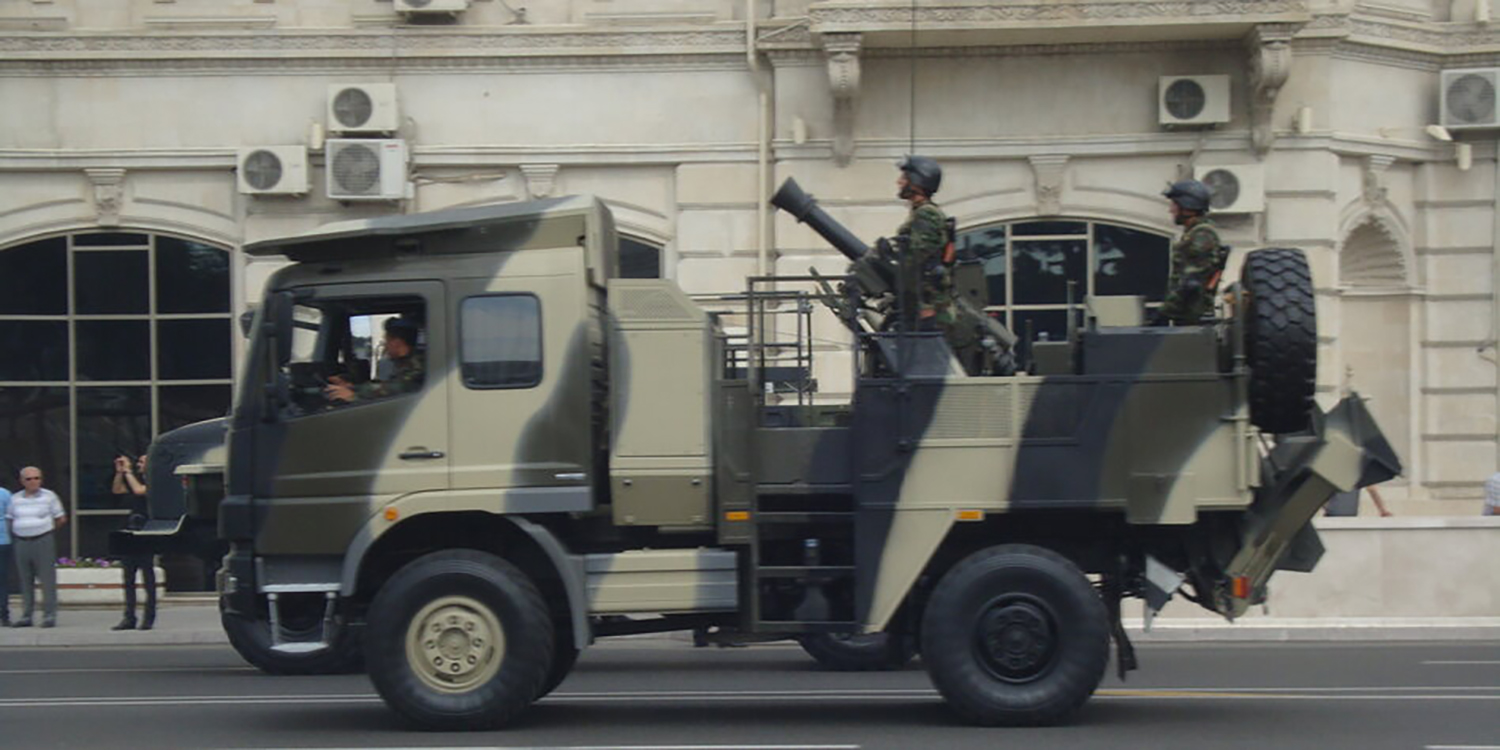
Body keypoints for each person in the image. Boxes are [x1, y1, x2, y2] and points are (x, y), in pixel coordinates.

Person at [893, 156, 959, 339]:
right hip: (923, 305)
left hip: (929, 309)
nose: (899, 182)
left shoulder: (926, 214)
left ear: (917, 182)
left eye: (904, 178)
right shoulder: (921, 213)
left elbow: (919, 258)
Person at [1158, 179, 1229, 325]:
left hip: (1193, 318)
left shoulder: (1202, 235)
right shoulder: (1195, 233)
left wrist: (1166, 313)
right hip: (1188, 316)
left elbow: (1191, 281)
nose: (1170, 210)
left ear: (1187, 207)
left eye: (1174, 205)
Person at [7, 467, 66, 628]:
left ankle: (49, 615)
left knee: (47, 580)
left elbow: (60, 518)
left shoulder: (49, 496)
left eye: (37, 478)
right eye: (29, 479)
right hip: (21, 542)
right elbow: (10, 519)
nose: (34, 482)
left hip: (43, 540)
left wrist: (44, 529)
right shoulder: (15, 498)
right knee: (25, 580)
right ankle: (27, 615)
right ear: (22, 481)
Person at [324, 317, 424, 403]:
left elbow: (395, 390)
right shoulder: (404, 363)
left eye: (386, 340)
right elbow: (386, 386)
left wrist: (353, 397)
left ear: (397, 343)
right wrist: (351, 386)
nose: (385, 345)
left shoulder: (416, 367)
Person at [111, 454, 156, 631]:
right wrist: (120, 473)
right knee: (128, 578)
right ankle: (129, 617)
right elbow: (117, 490)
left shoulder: (156, 480)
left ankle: (149, 617)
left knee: (148, 578)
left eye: (142, 462)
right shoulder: (132, 479)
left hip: (147, 533)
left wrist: (128, 472)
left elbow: (139, 491)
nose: (138, 464)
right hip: (130, 532)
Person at [0, 481, 11, 627]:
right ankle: (4, 615)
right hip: (3, 541)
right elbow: (12, 517)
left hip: (2, 541)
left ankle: (3, 612)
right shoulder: (5, 493)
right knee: (2, 580)